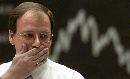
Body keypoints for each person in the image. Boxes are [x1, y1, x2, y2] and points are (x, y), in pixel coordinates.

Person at [0, 2, 85, 79]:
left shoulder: (71, 77)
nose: (37, 43)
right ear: (11, 37)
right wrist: (13, 76)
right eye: (29, 35)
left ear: (50, 39)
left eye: (44, 36)